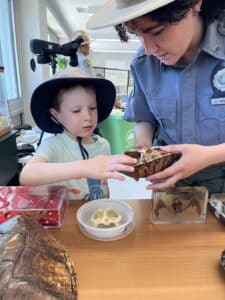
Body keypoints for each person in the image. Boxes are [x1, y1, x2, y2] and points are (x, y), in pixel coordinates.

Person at [87, 0, 225, 194]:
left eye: (157, 31)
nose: (150, 49)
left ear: (194, 4)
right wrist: (144, 144)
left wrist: (209, 156)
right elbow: (145, 116)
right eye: (138, 35)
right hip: (169, 177)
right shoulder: (143, 63)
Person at [20, 68, 137, 200]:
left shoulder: (103, 145)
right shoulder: (53, 146)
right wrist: (84, 167)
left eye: (92, 108)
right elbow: (27, 175)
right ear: (55, 115)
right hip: (68, 216)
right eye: (76, 111)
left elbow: (104, 186)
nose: (88, 116)